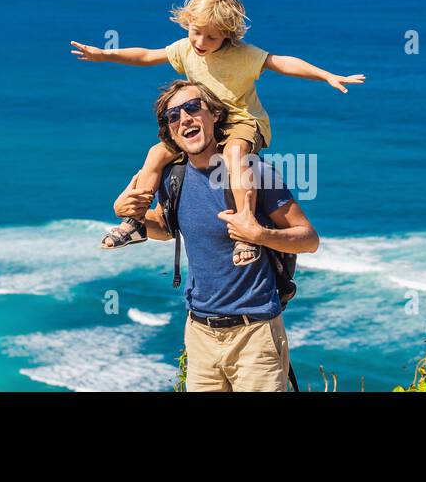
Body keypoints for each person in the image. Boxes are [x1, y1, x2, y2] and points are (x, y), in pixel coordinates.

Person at [73, 0, 359, 267]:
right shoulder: (185, 48)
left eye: (212, 37)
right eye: (196, 32)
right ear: (187, 23)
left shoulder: (244, 55)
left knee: (234, 154)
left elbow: (281, 62)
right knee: (156, 153)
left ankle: (245, 229)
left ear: (228, 34)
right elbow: (147, 55)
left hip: (243, 122)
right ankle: (135, 221)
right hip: (207, 123)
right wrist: (105, 54)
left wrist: (326, 75)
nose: (201, 42)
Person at [114, 80, 320, 392]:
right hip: (199, 333)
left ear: (215, 116)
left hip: (255, 333)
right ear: (169, 131)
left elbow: (308, 239)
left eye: (193, 108)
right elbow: (167, 229)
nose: (184, 118)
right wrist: (137, 215)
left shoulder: (253, 173)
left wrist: (258, 233)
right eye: (173, 116)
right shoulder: (173, 177)